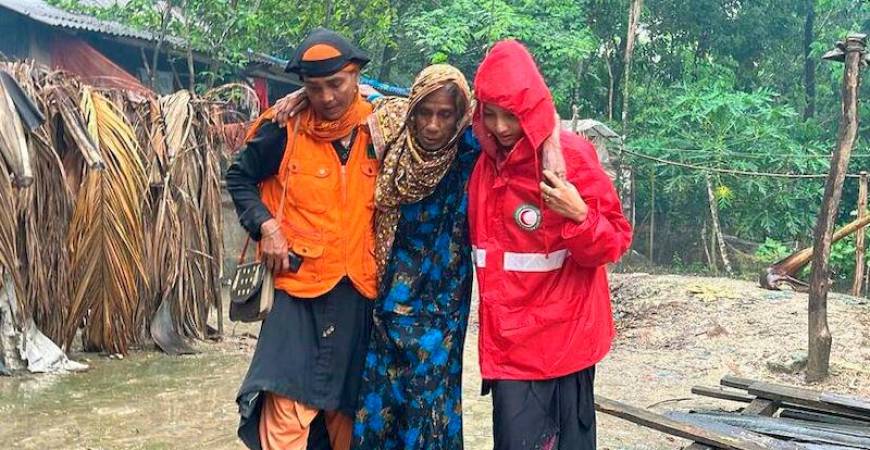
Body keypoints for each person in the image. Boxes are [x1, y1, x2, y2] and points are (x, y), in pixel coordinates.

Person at [468, 40, 633, 450]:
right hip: (510, 348)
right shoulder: (480, 161)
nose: (502, 127)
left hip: (565, 344)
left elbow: (613, 242)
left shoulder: (571, 158)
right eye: (491, 114)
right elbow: (423, 121)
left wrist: (579, 215)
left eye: (513, 115)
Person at [226, 28, 378, 450]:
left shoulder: (382, 128)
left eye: (336, 84)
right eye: (314, 88)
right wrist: (267, 227)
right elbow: (239, 177)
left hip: (357, 288)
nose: (327, 97)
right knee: (286, 405)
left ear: (356, 77)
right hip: (297, 288)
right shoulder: (283, 128)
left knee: (347, 412)